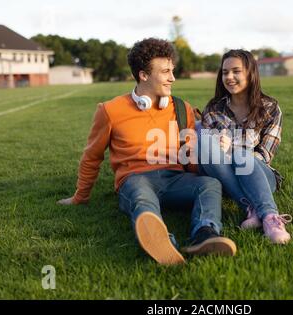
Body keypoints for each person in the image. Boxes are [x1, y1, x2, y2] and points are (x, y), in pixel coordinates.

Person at [57, 38, 236, 265]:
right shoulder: (110, 110)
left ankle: (205, 234)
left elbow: (188, 156)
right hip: (134, 179)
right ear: (143, 75)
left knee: (209, 185)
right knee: (142, 196)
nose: (173, 77)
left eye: (172, 70)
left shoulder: (183, 109)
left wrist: (214, 172)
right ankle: (163, 243)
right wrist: (80, 197)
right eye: (165, 72)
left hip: (175, 179)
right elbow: (92, 157)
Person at [196, 49, 292, 244]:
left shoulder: (270, 108)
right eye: (224, 72)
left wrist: (232, 149)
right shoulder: (213, 110)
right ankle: (254, 209)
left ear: (250, 73)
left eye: (236, 71)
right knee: (204, 141)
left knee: (243, 156)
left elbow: (264, 155)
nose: (229, 77)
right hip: (224, 174)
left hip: (261, 176)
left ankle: (269, 217)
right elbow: (207, 158)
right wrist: (216, 146)